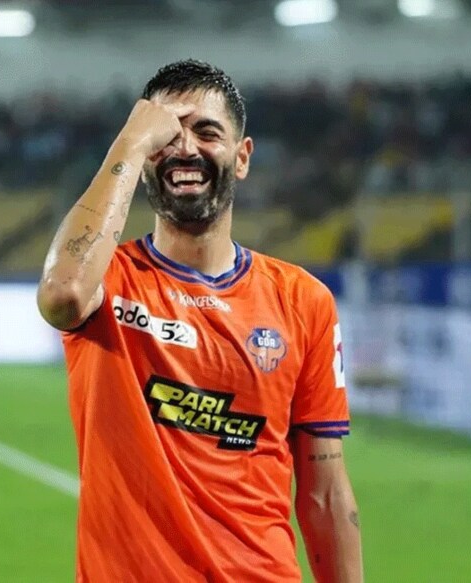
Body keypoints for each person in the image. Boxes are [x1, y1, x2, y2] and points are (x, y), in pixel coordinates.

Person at [36, 60, 363, 583]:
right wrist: (131, 141)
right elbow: (61, 294)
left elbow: (325, 492)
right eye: (167, 136)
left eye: (207, 132)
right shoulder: (109, 281)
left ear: (242, 157)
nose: (185, 149)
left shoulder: (303, 300)